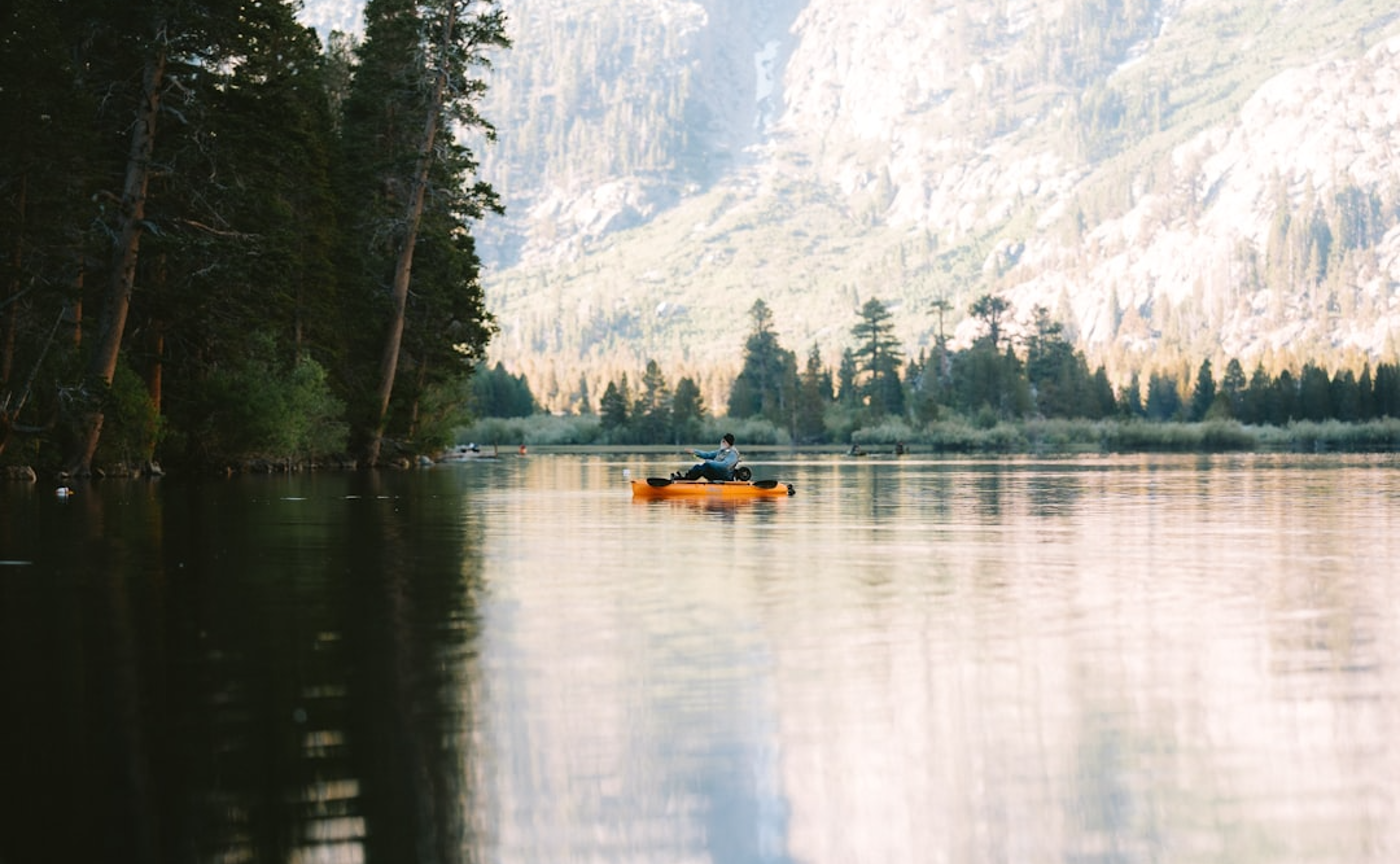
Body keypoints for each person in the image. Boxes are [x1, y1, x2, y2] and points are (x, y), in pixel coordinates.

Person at [674, 433, 740, 481]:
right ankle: (686, 478)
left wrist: (710, 462)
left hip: (724, 476)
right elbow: (707, 455)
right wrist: (694, 451)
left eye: (724, 441)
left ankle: (686, 480)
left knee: (704, 467)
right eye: (722, 441)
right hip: (718, 473)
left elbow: (725, 466)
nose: (722, 443)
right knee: (698, 467)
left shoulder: (732, 454)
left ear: (728, 443)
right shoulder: (722, 451)